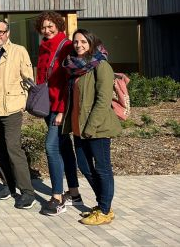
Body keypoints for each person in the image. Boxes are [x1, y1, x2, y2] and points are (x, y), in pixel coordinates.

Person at [62, 29, 121, 225]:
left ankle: (104, 210)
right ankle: (104, 204)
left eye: (83, 42)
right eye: (76, 42)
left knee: (102, 169)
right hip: (80, 128)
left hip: (97, 128)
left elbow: (103, 100)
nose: (78, 45)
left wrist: (91, 127)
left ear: (91, 43)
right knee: (85, 166)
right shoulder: (75, 68)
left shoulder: (100, 65)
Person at [0, 19, 36, 209]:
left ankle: (27, 191)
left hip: (11, 108)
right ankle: (8, 185)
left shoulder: (19, 51)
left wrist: (22, 104)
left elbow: (29, 80)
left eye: (1, 32)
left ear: (8, 33)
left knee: (13, 148)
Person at [34, 11, 82, 216]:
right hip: (48, 104)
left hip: (60, 106)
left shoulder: (67, 46)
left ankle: (57, 197)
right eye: (43, 27)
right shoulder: (43, 46)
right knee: (64, 148)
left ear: (59, 25)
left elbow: (67, 81)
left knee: (51, 147)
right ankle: (74, 192)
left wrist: (62, 111)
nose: (47, 30)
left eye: (50, 26)